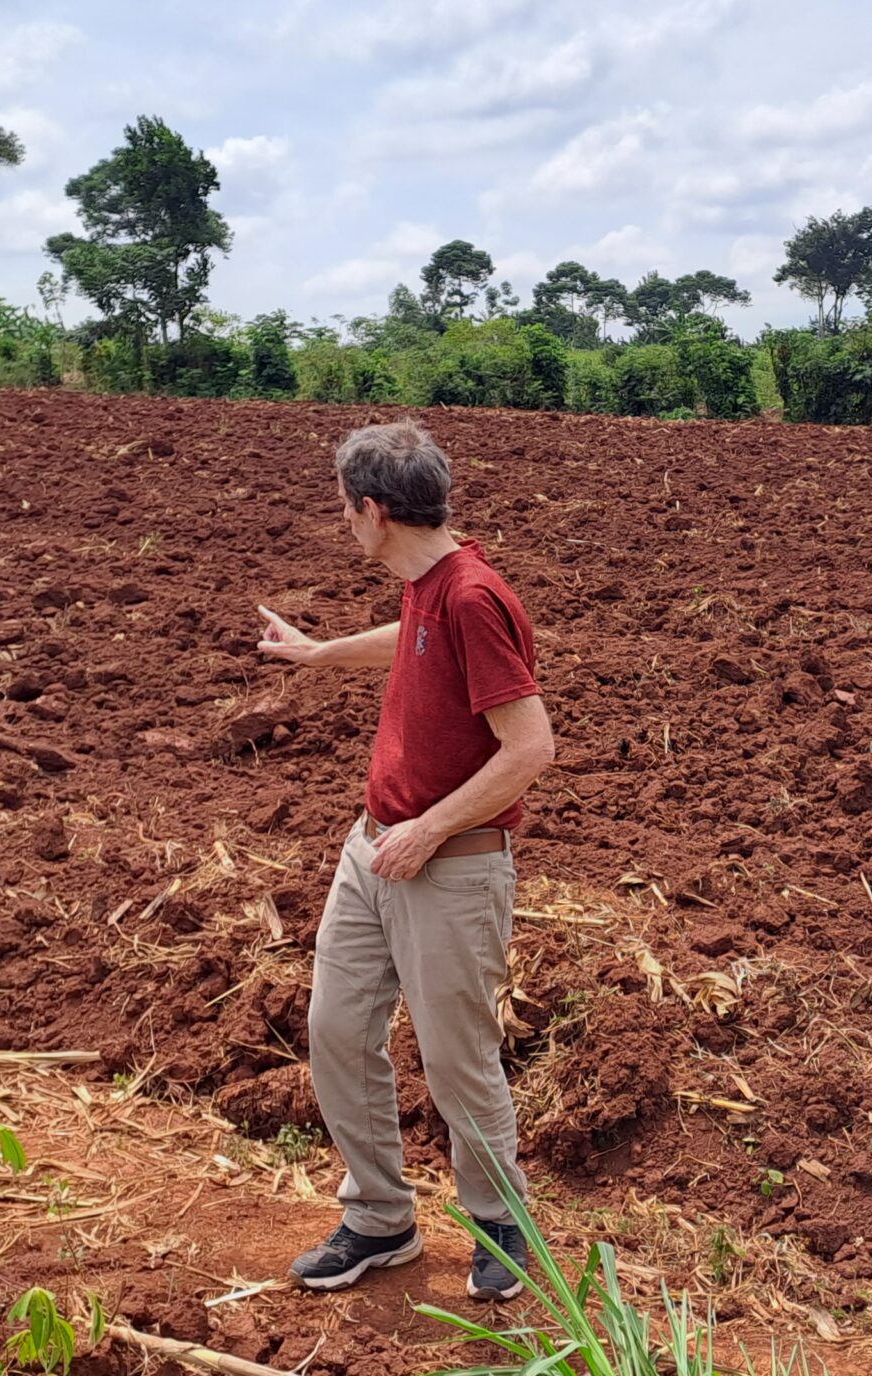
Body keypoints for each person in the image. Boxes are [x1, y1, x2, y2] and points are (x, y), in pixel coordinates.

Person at [254, 420, 554, 1301]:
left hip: (450, 864)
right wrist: (319, 652)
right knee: (338, 1032)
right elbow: (410, 641)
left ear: (375, 510)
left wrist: (428, 829)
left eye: (346, 508)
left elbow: (530, 747)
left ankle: (501, 1223)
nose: (343, 521)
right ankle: (379, 1218)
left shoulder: (471, 595)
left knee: (458, 1059)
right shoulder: (428, 584)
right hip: (373, 845)